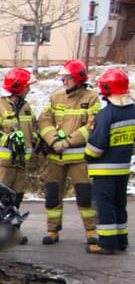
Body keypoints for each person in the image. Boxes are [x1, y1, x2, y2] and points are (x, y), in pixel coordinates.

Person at [37, 59, 102, 245]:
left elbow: (92, 125)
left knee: (84, 194)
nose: (64, 82)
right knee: (52, 193)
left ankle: (90, 231)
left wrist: (68, 142)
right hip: (55, 156)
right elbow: (44, 121)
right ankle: (52, 230)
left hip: (78, 157)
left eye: (67, 78)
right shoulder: (56, 97)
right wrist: (53, 141)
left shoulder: (91, 98)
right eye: (62, 78)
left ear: (79, 79)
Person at [0, 67, 38, 244]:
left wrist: (38, 142)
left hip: (20, 164)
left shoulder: (25, 106)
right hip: (4, 164)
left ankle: (13, 233)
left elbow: (32, 129)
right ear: (18, 87)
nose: (29, 89)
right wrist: (9, 141)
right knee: (0, 201)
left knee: (16, 200)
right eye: (27, 86)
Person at [84, 68, 133, 255]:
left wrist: (87, 156)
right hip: (123, 167)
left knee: (104, 205)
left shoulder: (106, 114)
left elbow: (97, 145)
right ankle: (120, 240)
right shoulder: (133, 111)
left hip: (104, 170)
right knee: (119, 203)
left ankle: (106, 243)